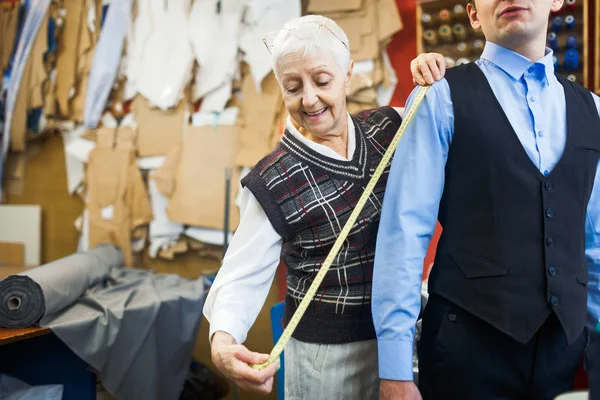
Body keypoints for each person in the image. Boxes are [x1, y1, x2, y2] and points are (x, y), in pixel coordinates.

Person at [202, 14, 446, 399]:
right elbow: (241, 275)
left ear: (348, 76)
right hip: (326, 358)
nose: (309, 98)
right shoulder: (274, 178)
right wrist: (222, 344)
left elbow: (439, 113)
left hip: (400, 340)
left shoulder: (389, 126)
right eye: (293, 87)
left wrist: (433, 71)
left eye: (322, 80)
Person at [372, 0, 600, 399]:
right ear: (474, 15)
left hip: (560, 358)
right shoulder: (438, 97)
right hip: (465, 354)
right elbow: (403, 236)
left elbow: (595, 247)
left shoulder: (593, 111)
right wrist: (395, 369)